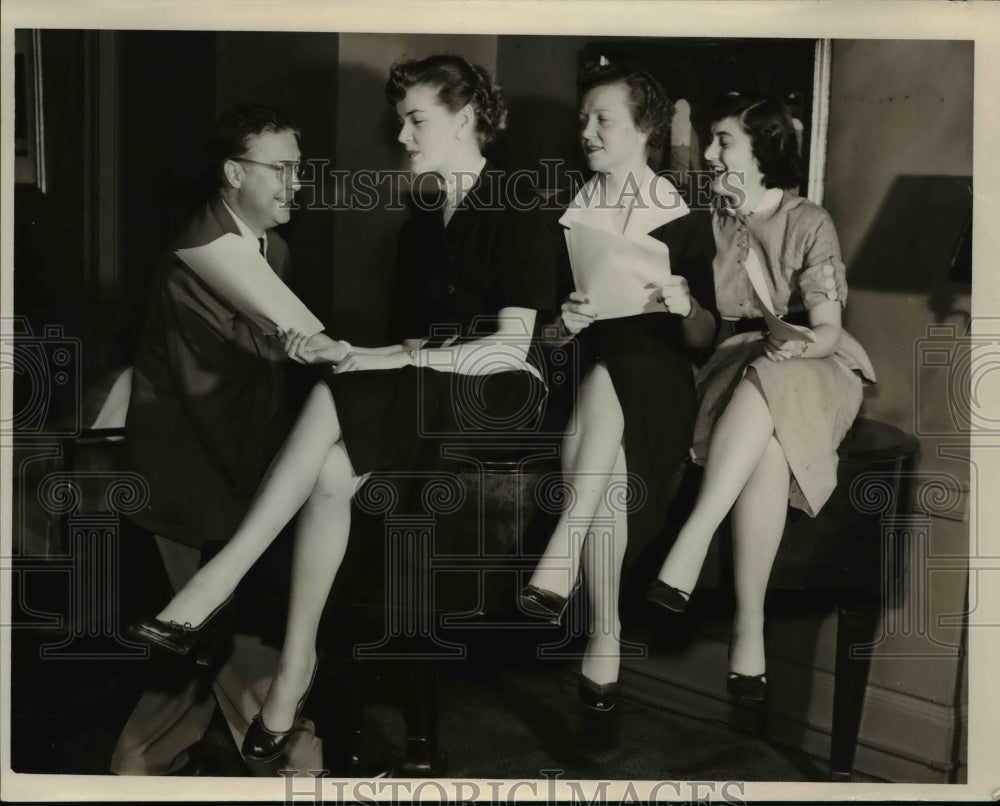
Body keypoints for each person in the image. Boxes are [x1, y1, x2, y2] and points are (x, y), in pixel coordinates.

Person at [128, 54, 556, 764]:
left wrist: (390, 358)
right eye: (400, 123)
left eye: (417, 121)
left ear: (466, 118)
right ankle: (294, 670)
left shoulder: (519, 203)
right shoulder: (424, 219)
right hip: (426, 393)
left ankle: (222, 581)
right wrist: (369, 354)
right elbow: (409, 335)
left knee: (342, 388)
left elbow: (512, 349)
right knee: (330, 467)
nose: (404, 137)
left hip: (502, 396)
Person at [114, 103, 338, 775]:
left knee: (208, 634)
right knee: (204, 637)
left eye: (301, 169)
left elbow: (267, 372)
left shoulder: (276, 249)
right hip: (187, 475)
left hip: (235, 468)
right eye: (282, 169)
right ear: (234, 172)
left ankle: (263, 748)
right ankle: (280, 751)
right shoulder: (200, 253)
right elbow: (214, 388)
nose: (295, 183)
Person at [647, 94, 875, 701]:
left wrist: (800, 348)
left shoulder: (809, 220)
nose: (713, 152)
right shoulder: (714, 222)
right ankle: (751, 627)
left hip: (815, 359)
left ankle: (693, 542)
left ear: (762, 150)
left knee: (776, 375)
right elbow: (706, 330)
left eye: (724, 140)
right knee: (769, 444)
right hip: (737, 359)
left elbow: (826, 330)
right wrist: (683, 307)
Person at [518, 61, 718, 711]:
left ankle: (568, 555)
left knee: (625, 359)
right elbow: (541, 337)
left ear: (645, 130)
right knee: (604, 379)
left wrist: (686, 304)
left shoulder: (682, 211)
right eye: (585, 120)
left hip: (659, 383)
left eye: (604, 119)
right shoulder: (569, 213)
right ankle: (604, 634)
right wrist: (563, 324)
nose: (589, 131)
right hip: (584, 383)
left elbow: (706, 337)